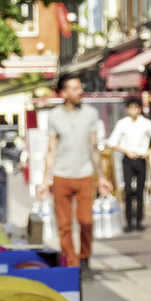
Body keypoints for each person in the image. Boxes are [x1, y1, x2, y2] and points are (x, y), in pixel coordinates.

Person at [41, 74, 110, 269]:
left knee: (86, 221)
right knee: (64, 225)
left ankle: (85, 257)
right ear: (63, 93)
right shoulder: (54, 116)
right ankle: (70, 263)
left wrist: (102, 177)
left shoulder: (90, 113)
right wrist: (45, 180)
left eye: (80, 87)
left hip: (85, 175)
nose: (80, 91)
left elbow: (94, 147)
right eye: (74, 88)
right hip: (61, 175)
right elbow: (51, 149)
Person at [107, 96, 151, 234]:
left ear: (140, 109)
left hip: (141, 159)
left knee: (140, 191)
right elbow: (112, 142)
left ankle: (138, 220)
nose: (133, 111)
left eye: (136, 108)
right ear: (127, 110)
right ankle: (129, 221)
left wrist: (149, 152)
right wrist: (126, 151)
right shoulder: (122, 123)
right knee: (128, 190)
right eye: (131, 108)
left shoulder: (146, 123)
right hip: (127, 159)